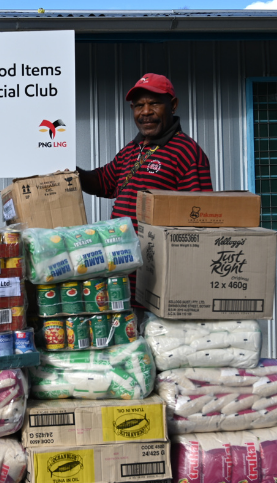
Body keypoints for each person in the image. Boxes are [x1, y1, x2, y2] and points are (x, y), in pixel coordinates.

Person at [78, 73, 213, 310]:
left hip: (158, 284)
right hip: (123, 280)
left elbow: (200, 222)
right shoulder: (133, 149)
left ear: (172, 105)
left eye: (154, 103)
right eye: (139, 105)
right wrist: (71, 173)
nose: (146, 112)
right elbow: (104, 181)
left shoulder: (186, 152)